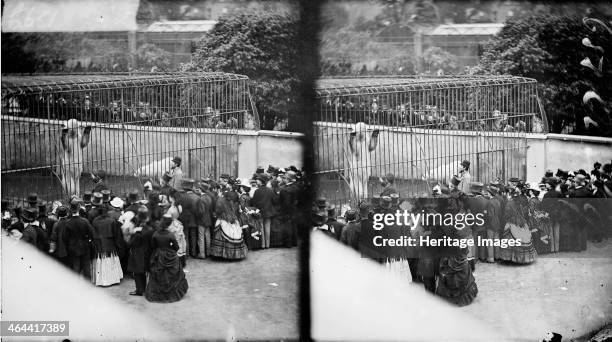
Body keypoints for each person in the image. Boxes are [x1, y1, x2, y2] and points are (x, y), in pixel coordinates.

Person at [145, 215, 189, 303]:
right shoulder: (170, 235)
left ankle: (158, 294)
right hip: (170, 255)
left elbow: (153, 245)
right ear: (169, 224)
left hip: (158, 255)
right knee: (172, 273)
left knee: (158, 273)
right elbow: (176, 247)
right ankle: (172, 293)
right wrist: (171, 249)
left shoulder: (156, 233)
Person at [90, 203, 125, 286]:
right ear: (107, 211)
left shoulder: (95, 221)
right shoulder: (112, 221)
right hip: (110, 245)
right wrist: (119, 247)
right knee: (110, 261)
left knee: (102, 263)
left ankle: (102, 280)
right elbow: (117, 236)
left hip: (99, 246)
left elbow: (93, 235)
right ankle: (112, 279)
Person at [499, 187, 537, 264]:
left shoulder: (509, 203)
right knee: (523, 237)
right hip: (520, 221)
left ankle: (510, 258)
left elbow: (507, 213)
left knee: (510, 239)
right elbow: (523, 212)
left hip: (511, 221)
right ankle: (521, 258)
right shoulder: (519, 203)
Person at [63, 199, 96, 280]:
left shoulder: (67, 223)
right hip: (85, 246)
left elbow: (64, 238)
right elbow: (93, 234)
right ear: (79, 209)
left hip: (73, 248)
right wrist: (88, 239)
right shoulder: (85, 221)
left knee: (75, 268)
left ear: (71, 209)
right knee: (86, 268)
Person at [127, 206, 155, 296]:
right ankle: (145, 288)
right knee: (144, 272)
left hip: (138, 253)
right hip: (147, 253)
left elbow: (131, 243)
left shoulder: (137, 232)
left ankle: (139, 290)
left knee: (138, 273)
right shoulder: (150, 229)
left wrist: (132, 233)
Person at [251, 174, 276, 249]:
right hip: (269, 212)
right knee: (267, 227)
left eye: (258, 180)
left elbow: (254, 203)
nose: (257, 181)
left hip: (260, 212)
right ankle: (268, 245)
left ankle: (263, 245)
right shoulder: (270, 191)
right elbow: (274, 201)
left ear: (261, 181)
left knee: (261, 227)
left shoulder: (257, 191)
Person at [166, 194, 187, 270]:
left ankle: (175, 262)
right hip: (178, 225)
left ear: (172, 198)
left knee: (174, 243)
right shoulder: (179, 206)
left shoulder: (171, 209)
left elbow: (168, 218)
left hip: (172, 226)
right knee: (181, 243)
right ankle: (182, 261)